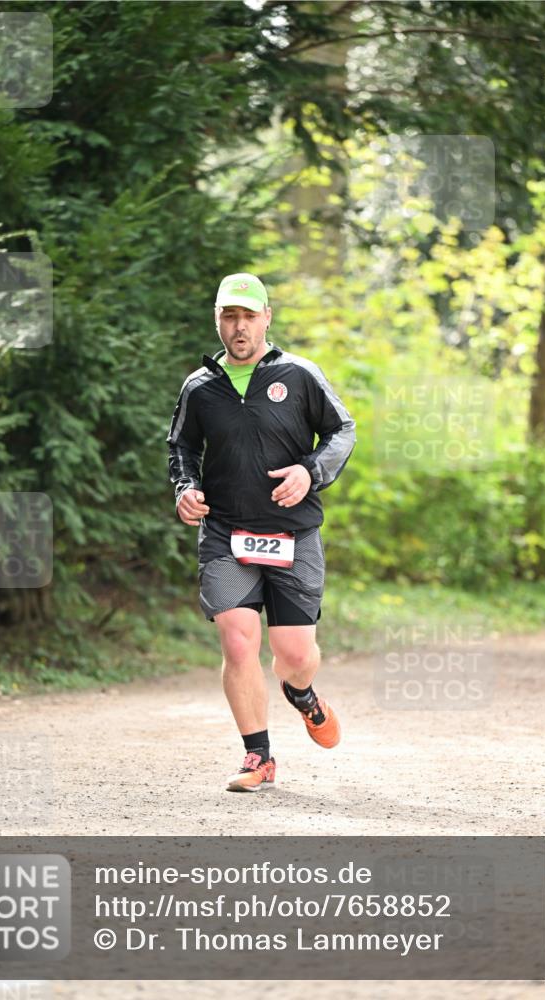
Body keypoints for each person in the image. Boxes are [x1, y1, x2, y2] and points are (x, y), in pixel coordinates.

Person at [167, 273, 356, 792]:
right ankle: (259, 758)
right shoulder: (200, 387)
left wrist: (309, 472)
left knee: (294, 657)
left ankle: (303, 696)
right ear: (218, 321)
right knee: (237, 639)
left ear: (267, 318)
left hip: (293, 534)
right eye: (230, 316)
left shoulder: (299, 375)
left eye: (249, 316)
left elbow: (342, 430)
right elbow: (181, 447)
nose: (239, 326)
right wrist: (184, 487)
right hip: (226, 533)